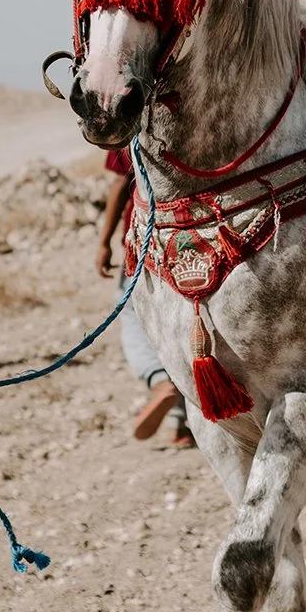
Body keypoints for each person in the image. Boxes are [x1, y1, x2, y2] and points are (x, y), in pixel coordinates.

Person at [97, 147, 191, 447]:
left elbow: (119, 184)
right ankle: (180, 423)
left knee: (134, 317)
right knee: (182, 326)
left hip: (146, 238)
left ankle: (158, 379)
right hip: (194, 234)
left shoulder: (132, 117)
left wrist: (104, 242)